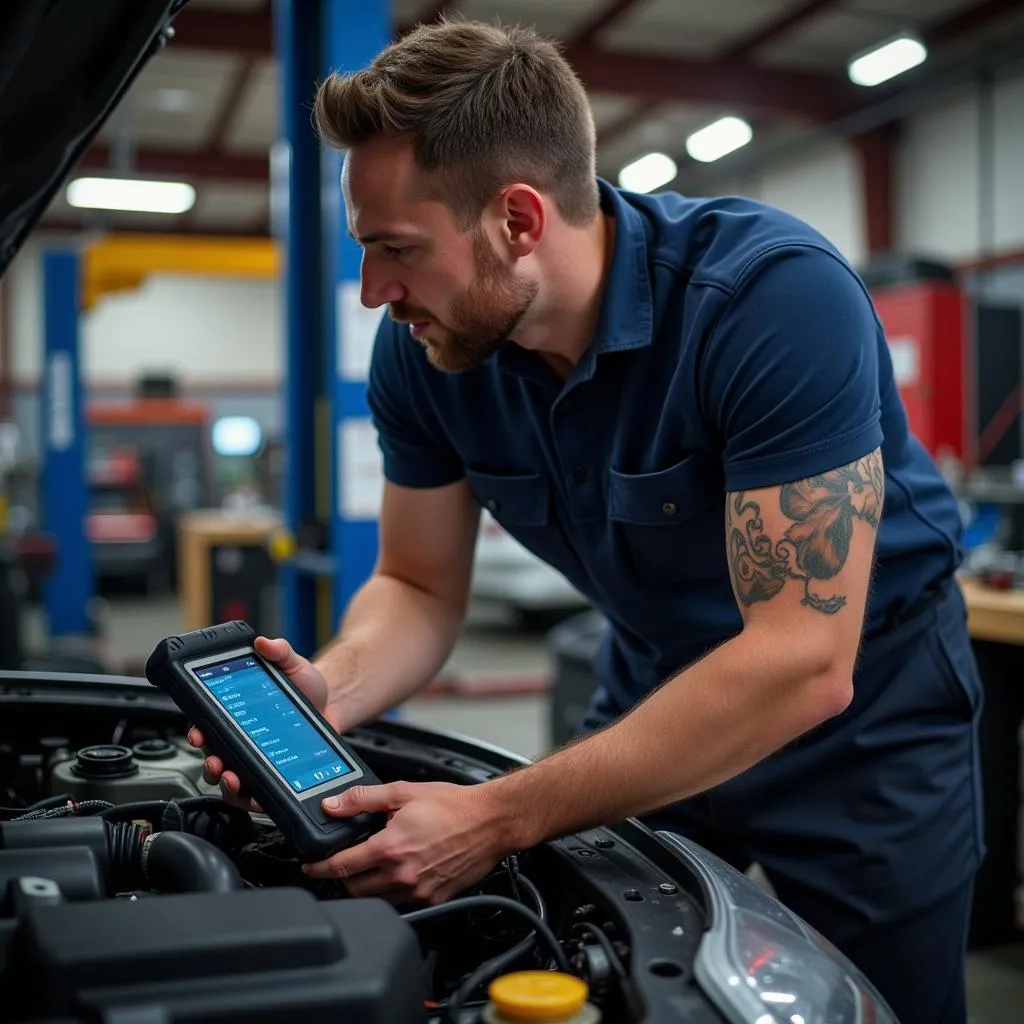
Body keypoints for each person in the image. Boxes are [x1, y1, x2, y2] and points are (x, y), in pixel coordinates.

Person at [191, 18, 983, 1023]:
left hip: (869, 716)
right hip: (655, 681)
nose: (372, 291)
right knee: (592, 964)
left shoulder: (768, 300)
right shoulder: (427, 355)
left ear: (518, 221)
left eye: (395, 249)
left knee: (890, 1006)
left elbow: (799, 661)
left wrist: (497, 813)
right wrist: (331, 689)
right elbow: (420, 586)